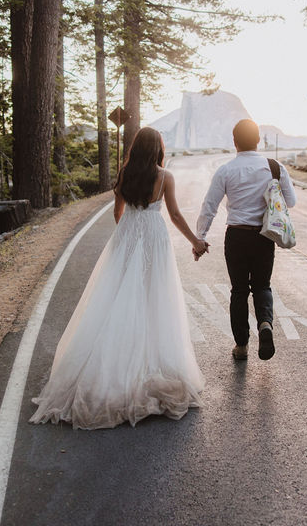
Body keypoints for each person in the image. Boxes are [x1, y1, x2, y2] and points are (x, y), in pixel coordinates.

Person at [30, 127, 208, 429]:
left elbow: (117, 212)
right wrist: (196, 242)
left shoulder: (126, 173)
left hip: (128, 234)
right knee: (154, 297)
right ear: (158, 149)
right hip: (153, 237)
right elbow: (175, 215)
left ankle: (108, 365)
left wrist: (128, 233)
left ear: (136, 148)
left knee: (119, 296)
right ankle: (150, 361)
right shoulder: (165, 177)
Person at [195, 119, 297, 361]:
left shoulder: (226, 170)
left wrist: (200, 237)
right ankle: (265, 324)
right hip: (264, 236)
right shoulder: (274, 167)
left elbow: (209, 206)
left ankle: (241, 346)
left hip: (237, 236)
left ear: (235, 142)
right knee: (262, 286)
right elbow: (290, 201)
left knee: (239, 291)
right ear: (258, 140)